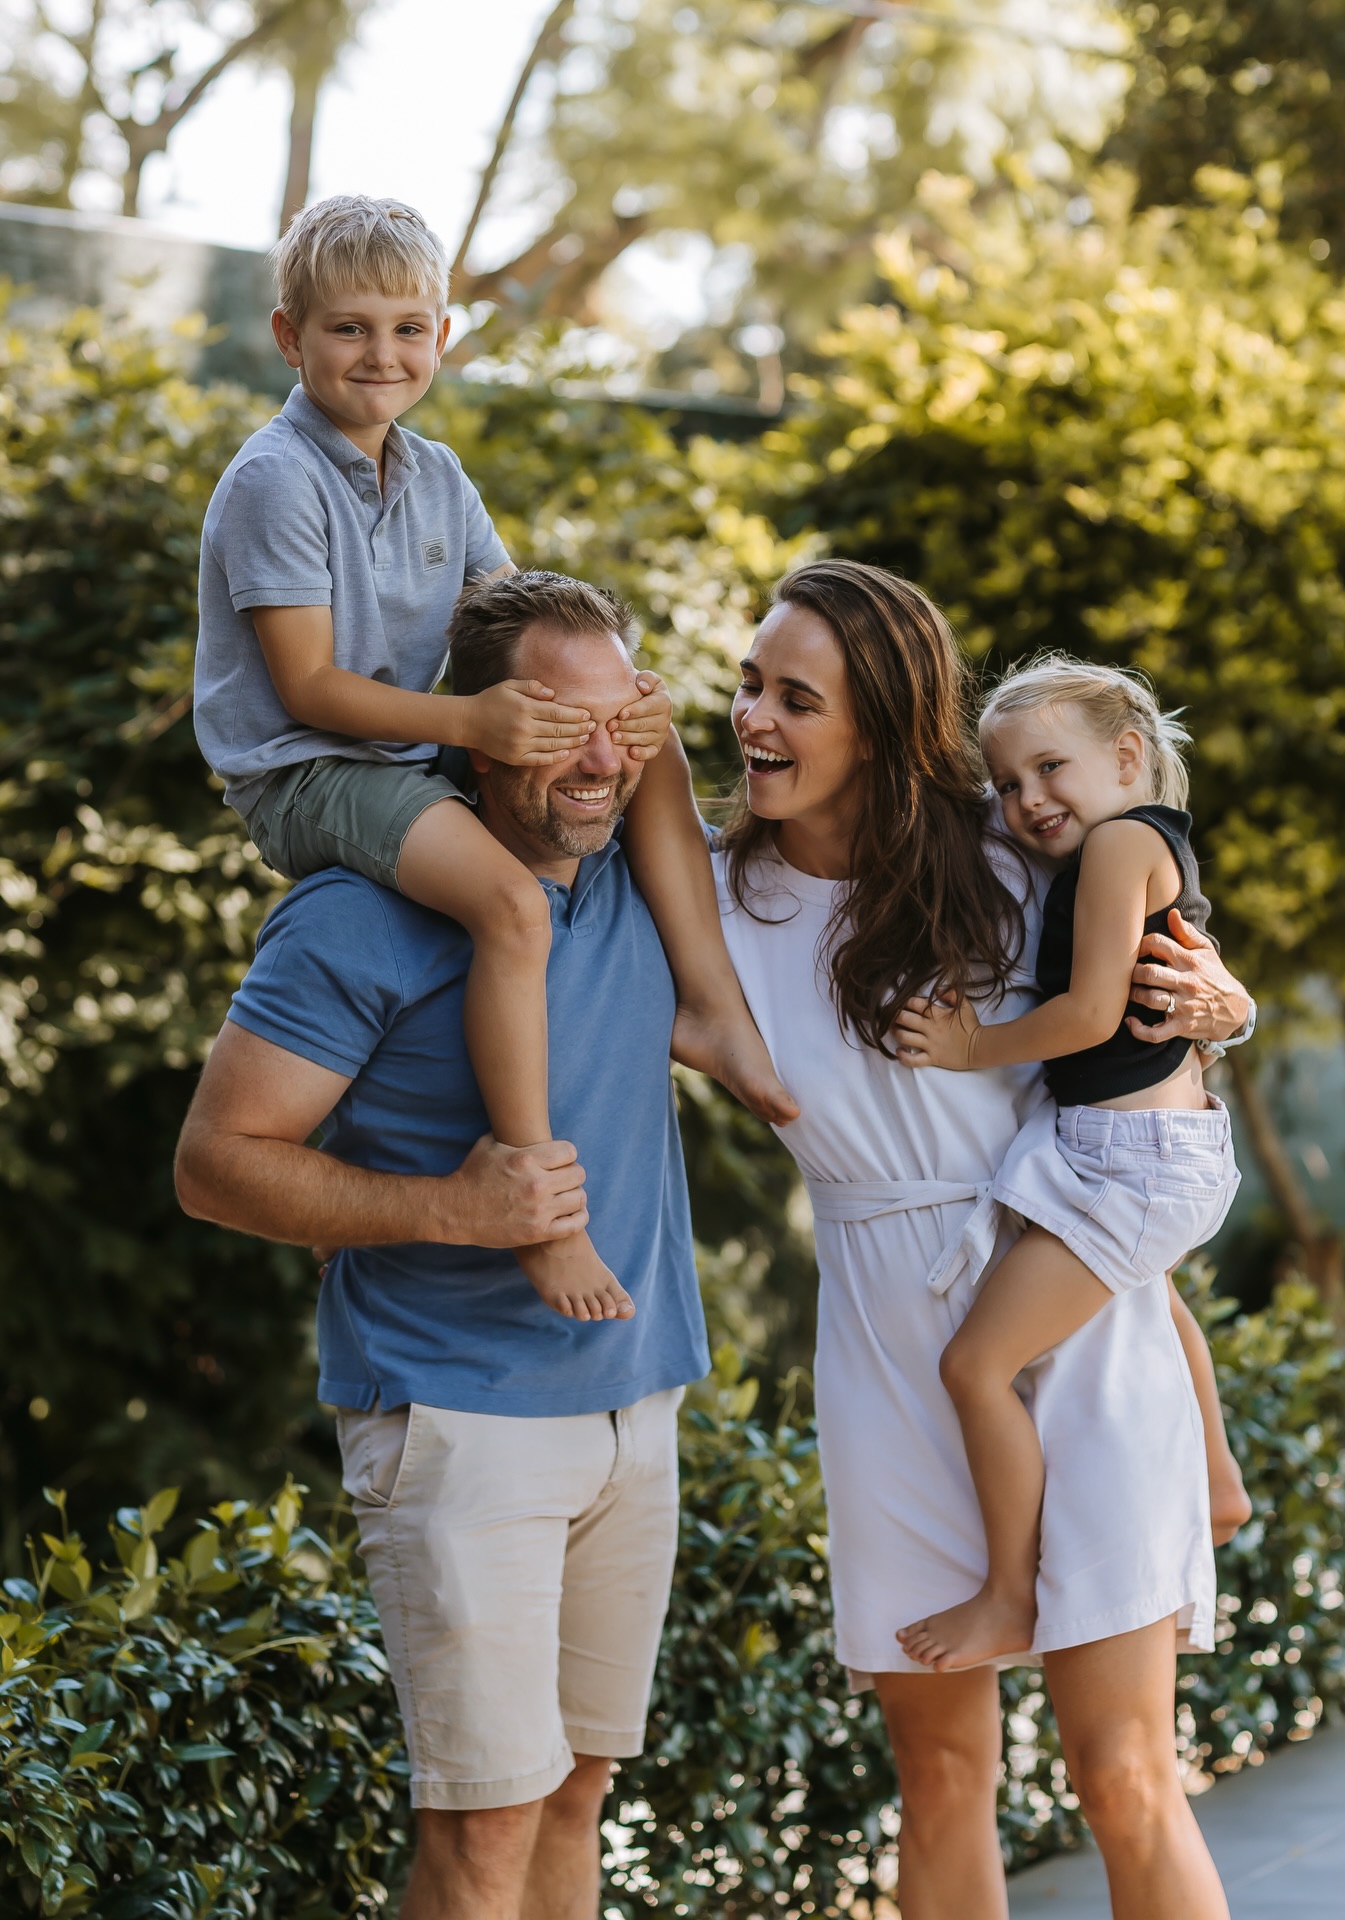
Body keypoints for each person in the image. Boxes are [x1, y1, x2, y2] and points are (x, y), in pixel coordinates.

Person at [706, 559, 1253, 1920]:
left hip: (1063, 1298)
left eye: (796, 697)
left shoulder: (1016, 846)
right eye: (748, 686)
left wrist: (1221, 1002)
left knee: (1122, 1769)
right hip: (886, 1339)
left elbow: (1149, 1038)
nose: (754, 720)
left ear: (885, 723)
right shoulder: (714, 898)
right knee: (941, 1775)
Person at [174, 572, 711, 1920]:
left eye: (619, 726)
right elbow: (216, 1165)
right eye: (558, 729)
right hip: (459, 1415)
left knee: (580, 1793)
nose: (598, 762)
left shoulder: (632, 875)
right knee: (482, 1835)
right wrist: (450, 1210)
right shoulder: (361, 912)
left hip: (637, 1395)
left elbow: (676, 768)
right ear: (477, 732)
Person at [192, 193, 793, 1325]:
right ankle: (535, 1207)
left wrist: (611, 704)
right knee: (513, 911)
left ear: (444, 338)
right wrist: (473, 727)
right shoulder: (277, 479)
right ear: (290, 336)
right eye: (349, 328)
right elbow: (310, 690)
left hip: (405, 753)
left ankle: (711, 1010)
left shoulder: (436, 476)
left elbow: (510, 621)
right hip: (311, 770)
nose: (383, 355)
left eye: (409, 328)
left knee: (640, 740)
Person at [893, 657, 1243, 1674]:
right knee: (1152, 1292)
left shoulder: (1122, 844)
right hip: (1122, 1149)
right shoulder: (1126, 846)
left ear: (1128, 757)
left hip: (1130, 1161)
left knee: (976, 1365)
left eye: (1050, 768)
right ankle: (1218, 1476)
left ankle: (1010, 1592)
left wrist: (969, 1048)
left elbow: (1090, 1014)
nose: (1026, 799)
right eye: (1006, 784)